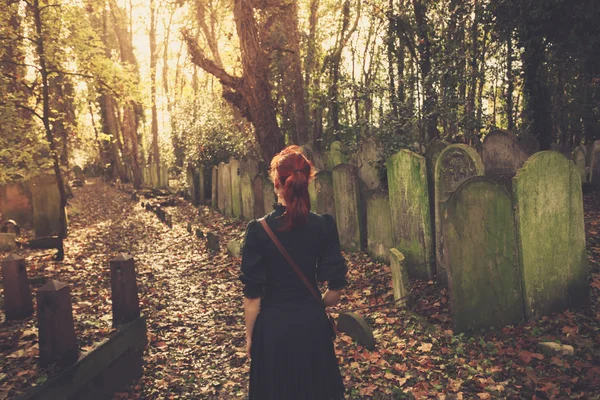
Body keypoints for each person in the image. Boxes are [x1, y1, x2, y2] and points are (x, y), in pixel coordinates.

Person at [240, 145, 347, 400]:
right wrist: (314, 305)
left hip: (274, 332)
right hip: (313, 328)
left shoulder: (258, 230)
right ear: (307, 180)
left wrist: (250, 337)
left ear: (275, 182)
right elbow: (336, 289)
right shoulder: (323, 225)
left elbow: (252, 297)